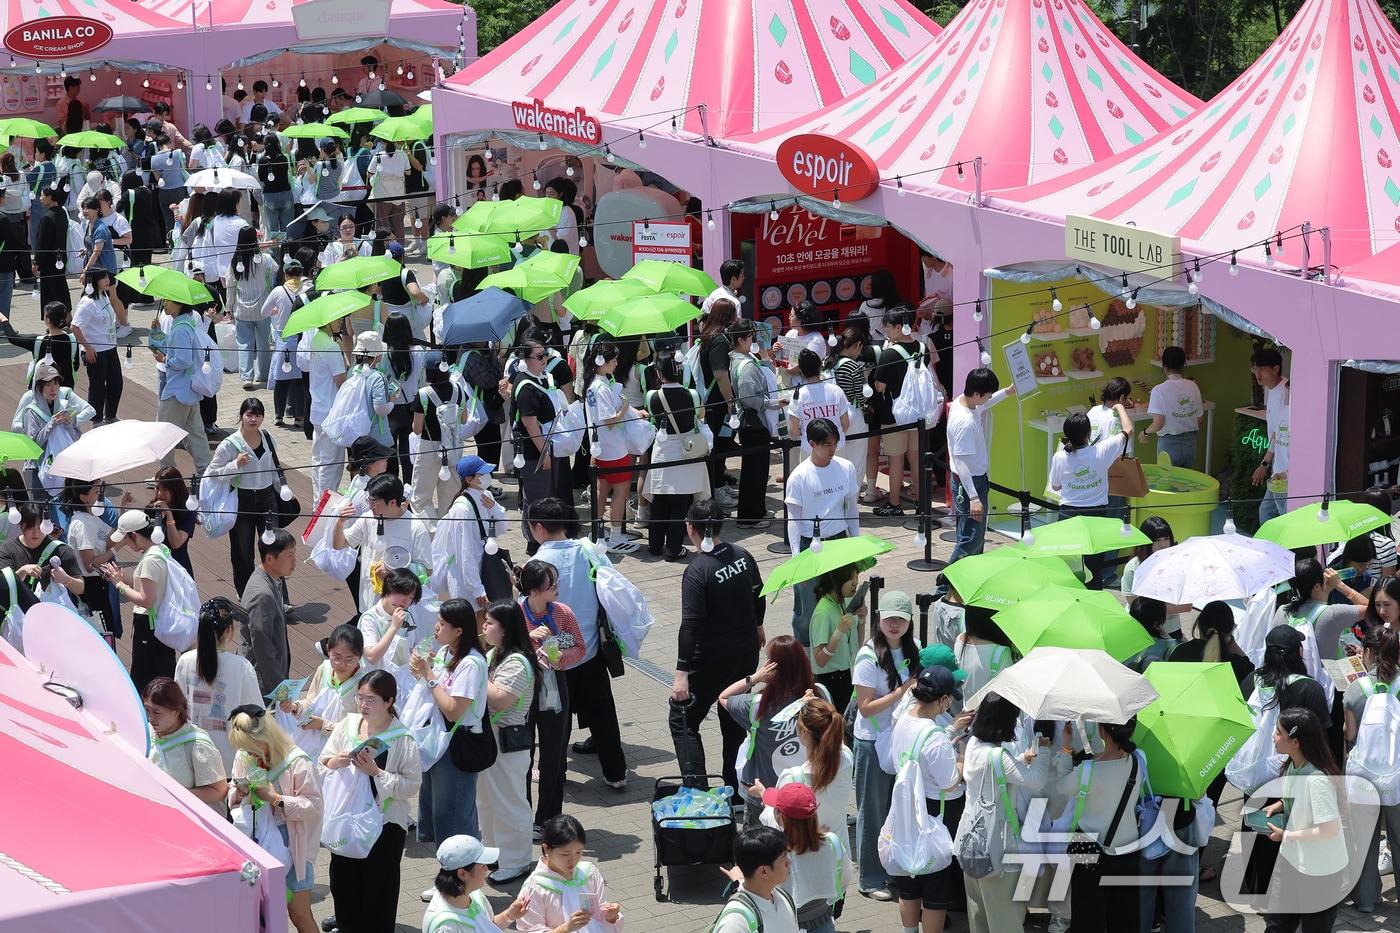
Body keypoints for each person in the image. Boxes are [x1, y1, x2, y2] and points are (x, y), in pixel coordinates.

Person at [527, 498, 629, 789]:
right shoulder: (588, 550)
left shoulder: (536, 564)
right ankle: (616, 773)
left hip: (554, 655)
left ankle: (553, 773)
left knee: (554, 719)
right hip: (591, 647)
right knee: (603, 712)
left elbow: (532, 610)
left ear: (537, 528)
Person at [669, 498, 766, 792]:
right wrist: (758, 624)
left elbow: (690, 624)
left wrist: (681, 672)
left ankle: (698, 791)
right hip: (745, 652)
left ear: (690, 528)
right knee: (733, 717)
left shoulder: (698, 570)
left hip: (709, 660)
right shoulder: (743, 555)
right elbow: (759, 592)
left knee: (682, 718)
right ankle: (734, 788)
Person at [321, 669, 422, 933]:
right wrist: (338, 761)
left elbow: (411, 785)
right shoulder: (348, 724)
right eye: (360, 698)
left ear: (389, 702)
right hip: (346, 820)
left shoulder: (402, 738)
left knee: (378, 894)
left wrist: (376, 773)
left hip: (386, 827)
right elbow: (324, 762)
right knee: (343, 887)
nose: (363, 705)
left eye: (371, 699)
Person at [954, 693, 1052, 933]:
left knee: (978, 912)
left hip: (969, 839)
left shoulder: (975, 744)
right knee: (1005, 917)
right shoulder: (998, 756)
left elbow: (993, 771)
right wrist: (1045, 750)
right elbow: (1036, 780)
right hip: (996, 846)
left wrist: (1020, 759)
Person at [852, 589, 924, 898]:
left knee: (901, 808)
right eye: (889, 618)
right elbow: (865, 707)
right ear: (879, 619)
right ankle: (870, 879)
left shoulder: (916, 648)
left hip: (904, 739)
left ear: (909, 622)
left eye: (901, 619)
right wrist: (903, 690)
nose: (894, 625)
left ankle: (894, 868)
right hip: (872, 742)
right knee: (873, 811)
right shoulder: (868, 656)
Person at [226, 707, 322, 933]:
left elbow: (314, 807)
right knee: (260, 912)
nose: (248, 753)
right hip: (257, 837)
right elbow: (232, 790)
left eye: (252, 747)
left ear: (266, 737)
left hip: (292, 841)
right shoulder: (245, 755)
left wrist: (275, 798)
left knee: (299, 914)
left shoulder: (297, 761)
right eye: (243, 748)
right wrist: (238, 792)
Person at [888, 667, 970, 933]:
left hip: (906, 808)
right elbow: (950, 781)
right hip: (937, 814)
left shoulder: (904, 720)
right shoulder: (934, 736)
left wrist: (949, 732)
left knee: (909, 883)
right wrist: (961, 756)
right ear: (944, 700)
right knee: (935, 892)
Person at [407, 598, 489, 858]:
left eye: (442, 624)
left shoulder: (471, 664)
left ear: (459, 630)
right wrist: (426, 671)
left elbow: (453, 709)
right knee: (439, 810)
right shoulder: (446, 653)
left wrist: (428, 676)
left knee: (454, 816)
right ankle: (451, 876)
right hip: (438, 742)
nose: (436, 628)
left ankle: (459, 880)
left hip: (458, 745)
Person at [1260, 707, 1347, 932]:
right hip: (1291, 860)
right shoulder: (1293, 764)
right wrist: (1280, 804)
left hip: (1320, 872)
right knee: (1277, 925)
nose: (1273, 736)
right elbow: (1296, 794)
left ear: (1295, 741)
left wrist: (1286, 835)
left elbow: (1329, 829)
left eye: (1279, 732)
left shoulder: (1317, 780)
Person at [516, 560, 585, 829]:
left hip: (555, 686)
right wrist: (529, 640)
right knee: (522, 753)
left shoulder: (563, 613)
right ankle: (521, 816)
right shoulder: (514, 613)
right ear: (533, 590)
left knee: (553, 753)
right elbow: (498, 648)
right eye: (550, 585)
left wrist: (558, 658)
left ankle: (547, 819)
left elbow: (580, 646)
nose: (557, 589)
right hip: (520, 688)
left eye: (556, 582)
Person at [479, 600, 540, 883]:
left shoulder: (517, 661)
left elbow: (502, 698)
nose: (484, 626)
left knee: (509, 801)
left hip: (507, 741)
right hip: (490, 740)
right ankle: (494, 854)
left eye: (490, 623)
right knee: (487, 801)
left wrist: (475, 672)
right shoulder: (495, 654)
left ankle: (516, 861)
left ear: (504, 629)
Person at [785, 419, 859, 646]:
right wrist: (796, 557)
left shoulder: (846, 468)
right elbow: (794, 519)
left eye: (835, 444)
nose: (832, 449)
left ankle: (839, 650)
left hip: (839, 541)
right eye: (827, 445)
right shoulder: (799, 476)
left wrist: (855, 543)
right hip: (812, 544)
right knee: (807, 609)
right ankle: (805, 656)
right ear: (811, 444)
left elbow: (852, 508)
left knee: (842, 601)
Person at [1344, 626, 1400, 912]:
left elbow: (1350, 735)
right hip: (1397, 775)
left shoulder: (1356, 688)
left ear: (1367, 652)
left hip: (1363, 775)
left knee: (1364, 839)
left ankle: (1366, 900)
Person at [1048, 405, 1132, 588]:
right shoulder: (1102, 450)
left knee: (1069, 568)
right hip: (1096, 517)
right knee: (1094, 569)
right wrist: (1120, 407)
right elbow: (1128, 431)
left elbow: (1055, 485)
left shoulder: (1059, 457)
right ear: (1088, 434)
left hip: (1067, 516)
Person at [174, 597, 261, 771]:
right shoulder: (241, 667)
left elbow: (178, 709)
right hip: (230, 763)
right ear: (229, 630)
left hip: (193, 756)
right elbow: (256, 715)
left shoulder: (185, 661)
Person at [207, 398, 282, 595]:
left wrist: (283, 490)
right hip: (242, 500)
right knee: (242, 551)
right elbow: (212, 473)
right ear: (241, 416)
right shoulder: (229, 444)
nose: (253, 419)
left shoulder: (268, 438)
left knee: (274, 547)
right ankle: (248, 593)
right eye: (249, 414)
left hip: (267, 499)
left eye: (257, 415)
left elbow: (274, 469)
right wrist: (235, 465)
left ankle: (279, 595)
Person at [101, 510, 181, 690]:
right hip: (159, 623)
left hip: (149, 626)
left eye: (126, 539)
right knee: (163, 675)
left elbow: (146, 600)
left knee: (142, 680)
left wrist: (118, 584)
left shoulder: (149, 561)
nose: (126, 544)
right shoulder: (159, 549)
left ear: (135, 535)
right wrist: (122, 578)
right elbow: (150, 586)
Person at [333, 473, 432, 614]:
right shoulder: (368, 518)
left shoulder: (416, 528)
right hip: (369, 602)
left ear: (392, 502)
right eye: (369, 500)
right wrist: (340, 522)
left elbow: (427, 570)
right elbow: (339, 544)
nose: (370, 506)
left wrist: (394, 569)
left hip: (400, 609)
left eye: (374, 502)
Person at [756, 782, 847, 933]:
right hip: (823, 920)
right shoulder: (831, 843)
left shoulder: (774, 851)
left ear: (781, 817)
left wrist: (762, 793)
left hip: (786, 924)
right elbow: (843, 879)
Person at [758, 697, 852, 842]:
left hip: (805, 856)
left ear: (804, 732)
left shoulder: (793, 777)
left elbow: (779, 822)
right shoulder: (846, 757)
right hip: (839, 851)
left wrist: (764, 796)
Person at [946, 368, 1013, 564]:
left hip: (970, 481)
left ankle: (965, 582)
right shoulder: (965, 422)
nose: (989, 398)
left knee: (969, 536)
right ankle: (946, 587)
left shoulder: (965, 402)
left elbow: (985, 404)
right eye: (988, 394)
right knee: (971, 539)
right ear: (976, 394)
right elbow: (961, 462)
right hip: (969, 484)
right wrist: (974, 497)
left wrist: (1007, 392)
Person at [645, 350, 708, 560]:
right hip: (685, 450)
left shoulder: (652, 396)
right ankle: (674, 548)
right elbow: (700, 416)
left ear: (659, 373)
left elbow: (654, 417)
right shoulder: (692, 394)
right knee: (680, 502)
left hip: (662, 450)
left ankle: (654, 545)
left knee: (660, 500)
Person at [517, 815, 624, 931]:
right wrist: (564, 929)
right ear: (547, 848)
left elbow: (601, 915)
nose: (573, 860)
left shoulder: (589, 873)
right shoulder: (535, 887)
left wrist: (611, 916)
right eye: (565, 854)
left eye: (579, 852)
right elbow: (530, 929)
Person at [583, 339, 639, 552]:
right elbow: (610, 419)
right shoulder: (600, 387)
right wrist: (625, 408)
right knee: (621, 491)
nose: (616, 363)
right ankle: (615, 536)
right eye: (614, 360)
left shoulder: (593, 384)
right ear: (602, 361)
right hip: (613, 448)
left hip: (600, 447)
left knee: (601, 489)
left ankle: (598, 531)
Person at [871, 306, 927, 516]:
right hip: (918, 413)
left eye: (887, 326)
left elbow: (880, 387)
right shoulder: (923, 347)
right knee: (916, 457)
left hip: (893, 414)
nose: (886, 330)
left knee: (895, 459)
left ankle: (894, 504)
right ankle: (921, 501)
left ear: (898, 327)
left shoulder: (889, 353)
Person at [144, 676, 228, 812]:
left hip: (187, 820)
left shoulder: (198, 745)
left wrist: (174, 796)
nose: (150, 718)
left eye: (156, 712)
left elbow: (219, 791)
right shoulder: (146, 732)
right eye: (147, 710)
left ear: (176, 711)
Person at [729, 318, 783, 527]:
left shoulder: (738, 358)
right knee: (755, 470)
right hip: (753, 422)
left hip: (750, 422)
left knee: (758, 468)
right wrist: (772, 403)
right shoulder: (746, 364)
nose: (753, 339)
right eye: (750, 336)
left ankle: (757, 510)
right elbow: (749, 398)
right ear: (741, 339)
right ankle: (749, 516)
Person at [281, 624, 365, 757]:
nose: (341, 664)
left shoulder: (363, 685)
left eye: (350, 660)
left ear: (360, 656)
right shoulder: (324, 668)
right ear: (328, 650)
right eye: (336, 657)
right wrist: (294, 707)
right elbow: (310, 702)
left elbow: (360, 729)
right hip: (310, 741)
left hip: (339, 752)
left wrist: (322, 725)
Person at [509, 337, 560, 553]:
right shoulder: (525, 386)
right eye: (539, 356)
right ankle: (533, 542)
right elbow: (530, 425)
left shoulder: (538, 378)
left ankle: (539, 538)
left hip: (544, 446)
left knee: (542, 496)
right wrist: (544, 454)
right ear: (525, 360)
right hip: (532, 452)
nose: (544, 359)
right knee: (536, 498)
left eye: (545, 354)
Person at [60, 478, 127, 638]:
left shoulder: (92, 518)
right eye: (96, 492)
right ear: (84, 497)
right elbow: (90, 564)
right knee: (102, 635)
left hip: (100, 583)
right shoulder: (81, 524)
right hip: (90, 587)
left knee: (107, 630)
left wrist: (124, 511)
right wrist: (117, 549)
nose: (100, 495)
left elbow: (110, 539)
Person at [19, 359, 93, 500]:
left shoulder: (65, 407)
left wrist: (68, 424)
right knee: (43, 514)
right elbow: (32, 446)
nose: (53, 388)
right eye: (48, 385)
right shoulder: (31, 412)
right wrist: (50, 425)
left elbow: (77, 438)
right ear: (39, 388)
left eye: (56, 383)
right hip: (39, 472)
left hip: (64, 468)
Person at [422, 835, 529, 932]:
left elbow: (487, 928)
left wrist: (508, 916)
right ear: (463, 874)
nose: (487, 869)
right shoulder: (445, 928)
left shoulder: (474, 895)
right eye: (483, 866)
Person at [156, 299, 214, 476]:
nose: (164, 304)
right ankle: (208, 472)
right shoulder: (186, 323)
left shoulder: (181, 328)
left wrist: (165, 360)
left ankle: (166, 476)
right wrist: (157, 335)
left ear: (179, 305)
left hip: (177, 390)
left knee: (164, 434)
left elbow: (183, 360)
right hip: (188, 389)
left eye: (168, 301)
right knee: (195, 436)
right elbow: (177, 350)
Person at [409, 352, 466, 522]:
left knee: (421, 497)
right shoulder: (458, 389)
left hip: (429, 448)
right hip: (453, 447)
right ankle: (446, 536)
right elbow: (464, 419)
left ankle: (431, 534)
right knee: (450, 496)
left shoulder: (423, 394)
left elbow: (417, 429)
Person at [713, 826, 799, 933]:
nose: (789, 862)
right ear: (764, 871)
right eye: (784, 857)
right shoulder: (735, 923)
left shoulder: (785, 898)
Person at [241, 527, 296, 695]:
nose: (294, 562)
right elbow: (262, 649)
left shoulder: (270, 580)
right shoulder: (262, 595)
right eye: (290, 556)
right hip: (263, 685)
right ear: (270, 559)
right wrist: (280, 691)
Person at [806, 561, 866, 711]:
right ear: (838, 581)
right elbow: (820, 660)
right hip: (830, 681)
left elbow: (856, 645)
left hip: (846, 674)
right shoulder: (823, 613)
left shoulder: (844, 602)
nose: (855, 582)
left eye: (857, 576)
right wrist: (838, 632)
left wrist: (862, 619)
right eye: (851, 578)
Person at [71, 267, 126, 424]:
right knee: (97, 387)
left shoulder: (104, 296)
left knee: (116, 383)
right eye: (104, 278)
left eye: (108, 277)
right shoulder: (88, 303)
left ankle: (110, 416)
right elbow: (75, 327)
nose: (108, 280)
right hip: (96, 352)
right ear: (94, 281)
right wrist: (87, 347)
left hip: (110, 348)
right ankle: (96, 420)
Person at [0, 503, 84, 603]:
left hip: (54, 612)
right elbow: (3, 586)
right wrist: (21, 572)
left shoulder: (61, 549)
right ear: (20, 524)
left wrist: (66, 579)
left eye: (40, 527)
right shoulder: (7, 548)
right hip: (20, 614)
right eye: (30, 527)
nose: (36, 533)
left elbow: (80, 588)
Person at [697, 299, 739, 499]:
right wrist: (730, 402)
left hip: (711, 401)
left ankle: (719, 483)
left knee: (718, 444)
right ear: (727, 316)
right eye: (734, 313)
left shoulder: (708, 336)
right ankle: (716, 489)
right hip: (718, 403)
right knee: (719, 446)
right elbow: (721, 374)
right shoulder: (720, 340)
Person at [226, 227, 277, 389]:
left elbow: (230, 287)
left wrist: (228, 307)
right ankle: (263, 374)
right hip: (263, 308)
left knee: (244, 343)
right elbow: (276, 270)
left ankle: (246, 376)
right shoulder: (266, 259)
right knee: (263, 343)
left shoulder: (235, 262)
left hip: (242, 309)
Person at [1121, 516, 1189, 634]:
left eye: (1166, 538)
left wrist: (1149, 609)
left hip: (1170, 628)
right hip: (1140, 629)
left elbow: (1186, 605)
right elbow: (1134, 606)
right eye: (1157, 540)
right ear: (1146, 541)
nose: (1163, 544)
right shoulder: (1133, 567)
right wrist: (1166, 607)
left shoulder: (1178, 565)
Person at [308, 318, 351, 500]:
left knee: (319, 461)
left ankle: (318, 503)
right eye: (338, 320)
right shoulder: (330, 347)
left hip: (318, 409)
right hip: (331, 413)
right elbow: (340, 380)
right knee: (331, 464)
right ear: (328, 321)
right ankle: (324, 506)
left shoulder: (317, 339)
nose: (340, 323)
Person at [1142, 346, 1204, 468]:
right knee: (1186, 484)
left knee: (1168, 484)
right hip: (1191, 443)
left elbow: (1158, 423)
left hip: (1169, 444)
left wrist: (1145, 431)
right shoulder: (1193, 386)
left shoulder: (1158, 390)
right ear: (1183, 365)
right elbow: (1200, 419)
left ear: (1164, 366)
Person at [1251, 347, 1291, 524]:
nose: (1258, 374)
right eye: (1255, 369)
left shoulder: (1287, 392)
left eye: (1262, 369)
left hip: (1285, 471)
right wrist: (1265, 464)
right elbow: (1276, 433)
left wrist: (1286, 471)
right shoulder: (1272, 390)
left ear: (1275, 369)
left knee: (1280, 517)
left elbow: (1283, 431)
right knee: (1267, 513)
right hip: (1278, 467)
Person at [150, 466, 197, 575]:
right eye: (157, 488)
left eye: (165, 489)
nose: (160, 494)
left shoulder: (188, 511)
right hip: (155, 567)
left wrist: (169, 515)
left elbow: (176, 543)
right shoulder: (152, 508)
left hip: (178, 569)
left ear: (175, 489)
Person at [31, 183, 70, 312]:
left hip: (49, 261)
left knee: (50, 292)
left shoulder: (47, 217)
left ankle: (53, 319)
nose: (40, 198)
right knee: (61, 288)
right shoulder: (62, 213)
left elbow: (42, 243)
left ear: (50, 197)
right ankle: (67, 316)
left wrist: (36, 262)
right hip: (60, 258)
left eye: (42, 195)